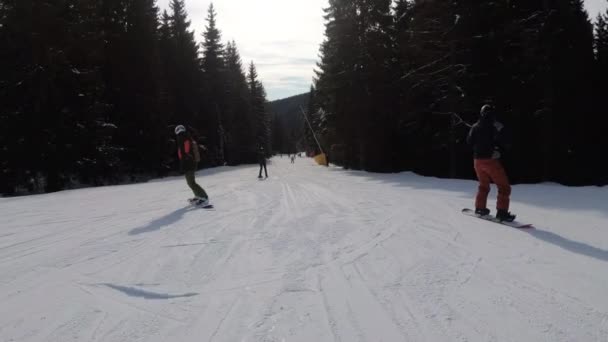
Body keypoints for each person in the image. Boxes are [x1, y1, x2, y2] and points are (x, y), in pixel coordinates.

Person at [467, 105, 515, 222]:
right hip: (490, 161)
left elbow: (469, 142)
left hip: (477, 161)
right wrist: (497, 150)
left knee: (483, 186)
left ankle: (480, 208)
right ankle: (502, 213)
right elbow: (505, 142)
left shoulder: (475, 126)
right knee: (504, 187)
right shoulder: (495, 126)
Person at [175, 125, 209, 206]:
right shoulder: (185, 137)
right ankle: (198, 195)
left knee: (191, 182)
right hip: (189, 163)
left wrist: (185, 161)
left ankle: (204, 197)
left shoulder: (184, 138)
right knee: (190, 182)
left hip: (189, 164)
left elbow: (185, 152)